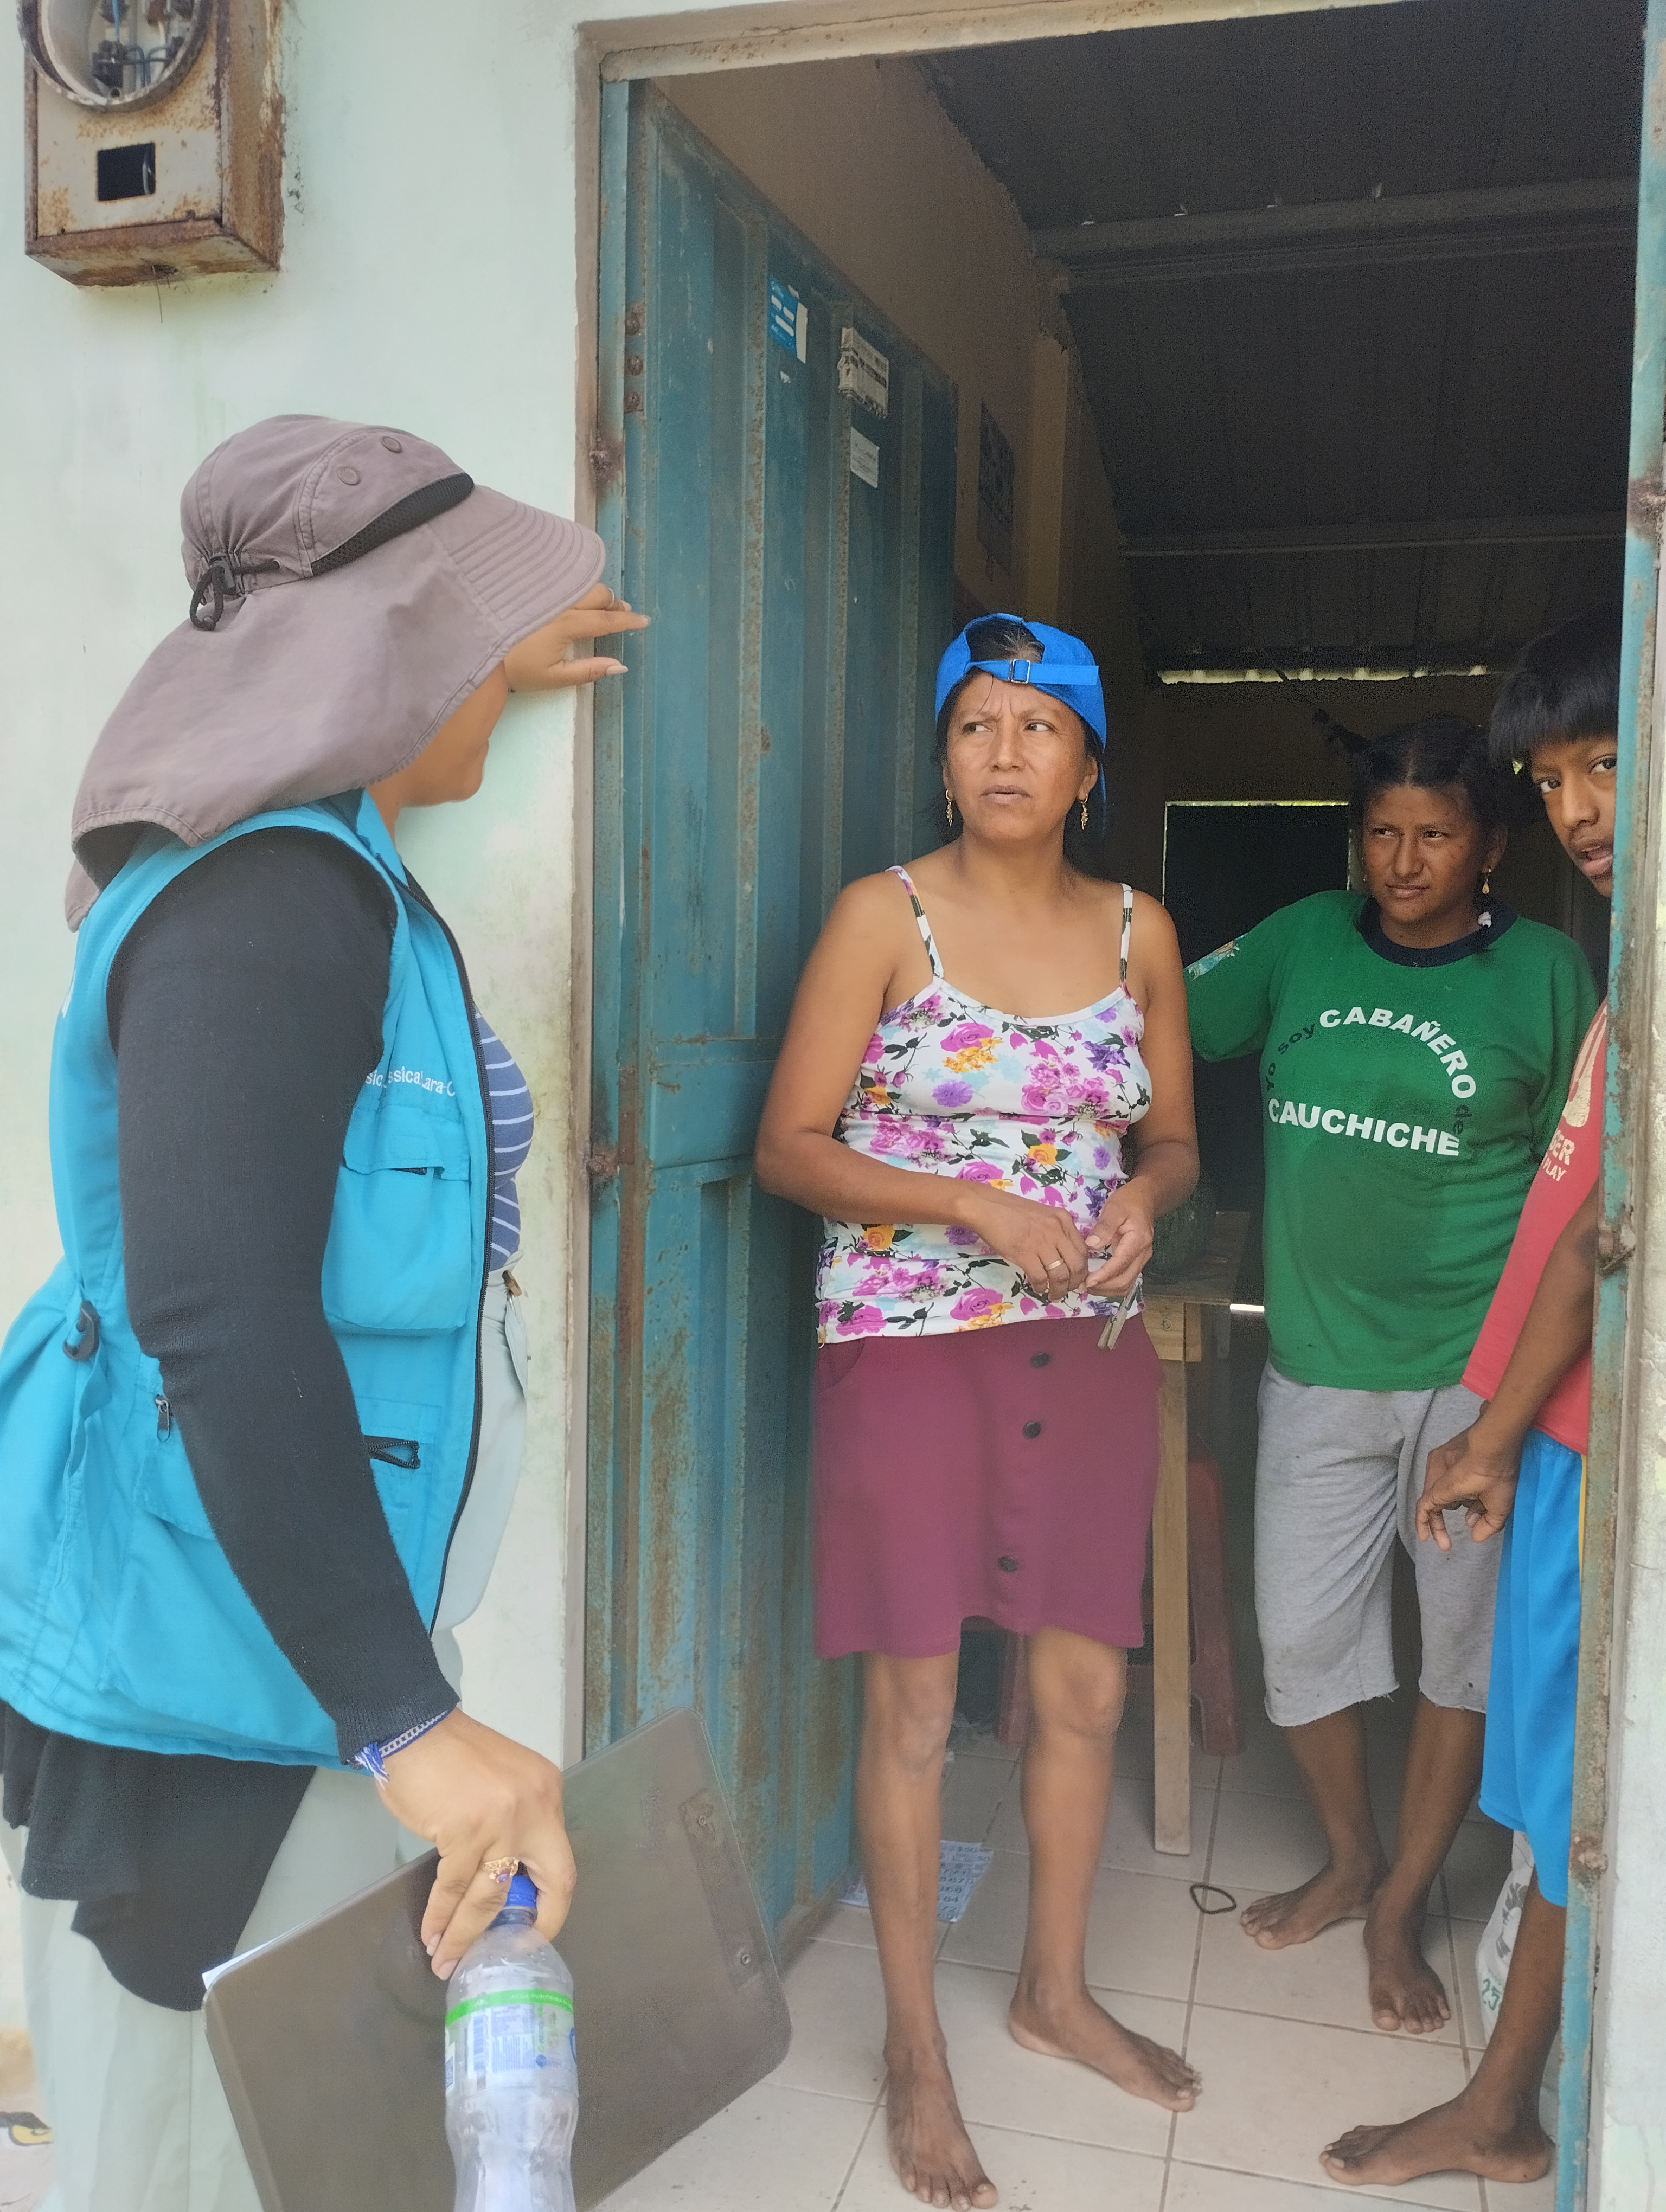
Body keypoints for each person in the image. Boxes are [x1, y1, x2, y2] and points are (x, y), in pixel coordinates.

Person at [0, 415, 647, 2211]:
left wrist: (483, 644)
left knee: (265, 2134)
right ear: (383, 651)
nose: (498, 677)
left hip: (269, 1631)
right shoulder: (267, 896)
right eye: (470, 639)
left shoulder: (318, 863)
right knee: (197, 2150)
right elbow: (218, 1308)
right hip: (214, 1671)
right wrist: (406, 1719)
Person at [755, 613, 1201, 2212]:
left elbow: (1174, 1143)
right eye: (976, 725)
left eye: (1038, 726)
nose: (1005, 752)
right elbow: (790, 1147)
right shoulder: (883, 917)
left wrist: (1144, 1200)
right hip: (909, 1344)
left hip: (1085, 1343)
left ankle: (1053, 1993)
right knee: (917, 1703)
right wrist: (968, 1205)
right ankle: (912, 2050)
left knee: (1084, 1685)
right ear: (944, 759)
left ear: (1088, 767)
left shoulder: (1141, 932)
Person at [1186, 715, 1598, 2036]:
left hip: (1479, 1378)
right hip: (1317, 1362)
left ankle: (1399, 1901)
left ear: (1490, 847)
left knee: (1462, 1659)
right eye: (1382, 834)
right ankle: (1353, 1855)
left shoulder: (1547, 975)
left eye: (1436, 835)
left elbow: (1587, 1187)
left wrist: (1515, 1407)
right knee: (1300, 1639)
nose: (1405, 861)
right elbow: (1153, 1013)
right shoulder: (1302, 940)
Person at [1322, 608, 1619, 2191]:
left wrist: (1494, 1430)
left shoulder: (1591, 972)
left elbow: (1598, 1236)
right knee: (1559, 1785)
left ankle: (1501, 2108)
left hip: (1584, 1438)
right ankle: (1511, 2093)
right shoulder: (1632, 965)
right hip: (1557, 1434)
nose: (1580, 810)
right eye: (1555, 778)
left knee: (1578, 1794)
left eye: (1607, 765)